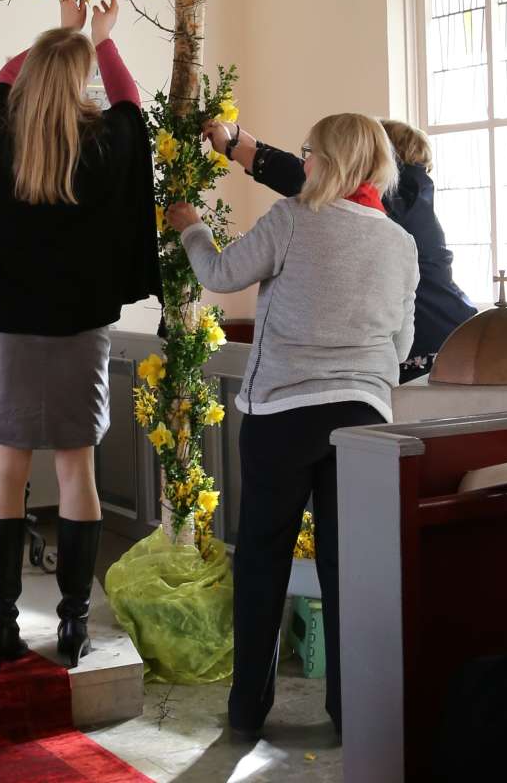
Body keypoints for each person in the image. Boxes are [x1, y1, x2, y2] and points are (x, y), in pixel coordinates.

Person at [166, 113, 419, 740]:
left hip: (283, 415)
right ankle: (347, 710)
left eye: (309, 152)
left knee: (262, 561)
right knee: (345, 567)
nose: (303, 162)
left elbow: (221, 275)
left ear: (327, 159)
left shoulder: (294, 219)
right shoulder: (400, 243)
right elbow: (403, 339)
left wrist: (192, 227)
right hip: (364, 419)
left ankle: (248, 711)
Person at [0, 0, 161, 671]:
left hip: (6, 331)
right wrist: (100, 40)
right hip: (79, 332)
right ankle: (74, 627)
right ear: (77, 78)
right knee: (76, 472)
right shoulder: (106, 144)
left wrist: (64, 33)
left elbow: (2, 79)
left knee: (6, 471)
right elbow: (132, 111)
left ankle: (0, 630)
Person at [204, 116, 475, 382]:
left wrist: (234, 147)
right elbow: (307, 170)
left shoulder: (399, 193)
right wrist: (242, 138)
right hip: (446, 332)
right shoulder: (413, 192)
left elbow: (308, 180)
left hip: (435, 344)